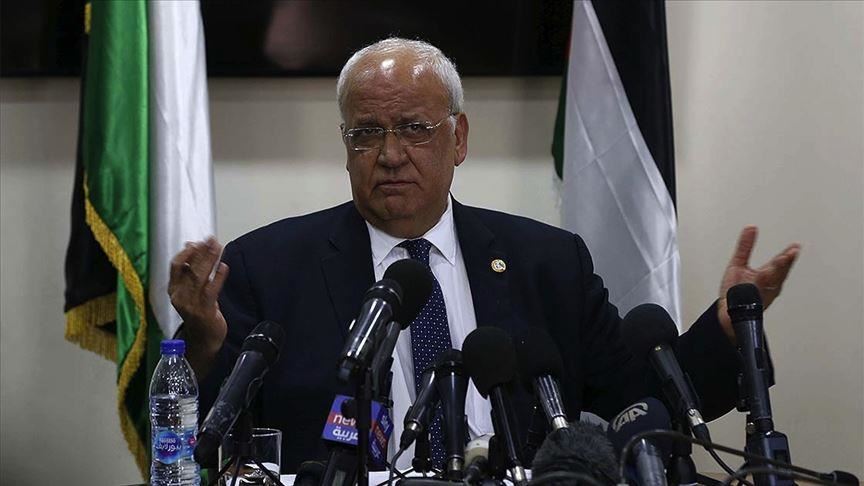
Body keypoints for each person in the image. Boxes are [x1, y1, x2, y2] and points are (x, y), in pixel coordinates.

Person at [168, 38, 800, 472]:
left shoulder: (549, 263)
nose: (390, 154)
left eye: (414, 128)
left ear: (459, 138)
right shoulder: (268, 267)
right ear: (346, 146)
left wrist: (725, 329)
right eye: (366, 133)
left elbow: (642, 403)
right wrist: (201, 340)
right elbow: (205, 436)